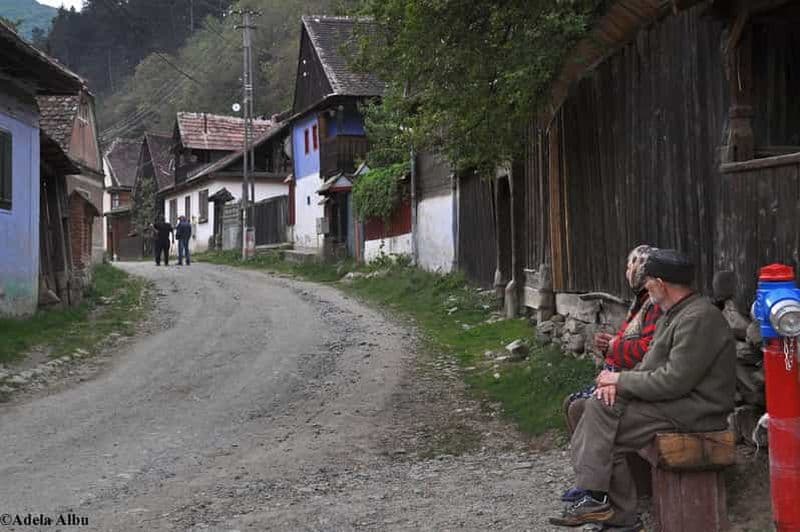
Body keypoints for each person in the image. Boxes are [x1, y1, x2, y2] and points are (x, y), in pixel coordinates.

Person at [549, 249, 735, 530]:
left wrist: (620, 382)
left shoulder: (698, 318)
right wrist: (616, 385)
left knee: (602, 427)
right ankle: (604, 504)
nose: (645, 286)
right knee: (591, 406)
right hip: (674, 403)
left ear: (661, 283)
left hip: (697, 409)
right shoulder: (672, 315)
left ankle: (604, 503)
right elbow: (649, 366)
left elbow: (674, 381)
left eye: (648, 281)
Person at [560, 245, 663, 503]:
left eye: (632, 266)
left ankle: (600, 491)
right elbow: (630, 342)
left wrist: (615, 348)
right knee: (574, 404)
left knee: (584, 407)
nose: (628, 272)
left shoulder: (655, 306)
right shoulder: (640, 304)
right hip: (628, 377)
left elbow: (647, 350)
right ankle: (591, 483)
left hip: (640, 383)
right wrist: (611, 346)